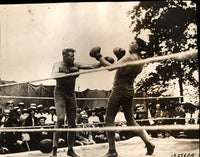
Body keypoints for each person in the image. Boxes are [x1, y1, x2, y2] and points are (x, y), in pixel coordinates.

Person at [90, 43, 155, 157]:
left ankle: (112, 151)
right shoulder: (140, 61)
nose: (129, 44)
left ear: (135, 48)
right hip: (130, 90)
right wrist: (119, 59)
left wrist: (98, 57)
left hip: (119, 89)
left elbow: (111, 68)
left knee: (109, 119)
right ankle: (148, 142)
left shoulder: (129, 57)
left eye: (132, 44)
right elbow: (124, 70)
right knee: (130, 120)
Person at [51, 48, 101, 157]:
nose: (73, 58)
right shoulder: (58, 64)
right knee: (60, 119)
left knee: (72, 123)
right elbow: (54, 75)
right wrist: (69, 72)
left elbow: (92, 66)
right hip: (60, 93)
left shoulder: (76, 64)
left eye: (74, 56)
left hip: (71, 94)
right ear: (64, 56)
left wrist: (102, 60)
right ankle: (54, 148)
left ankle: (70, 149)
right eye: (71, 56)